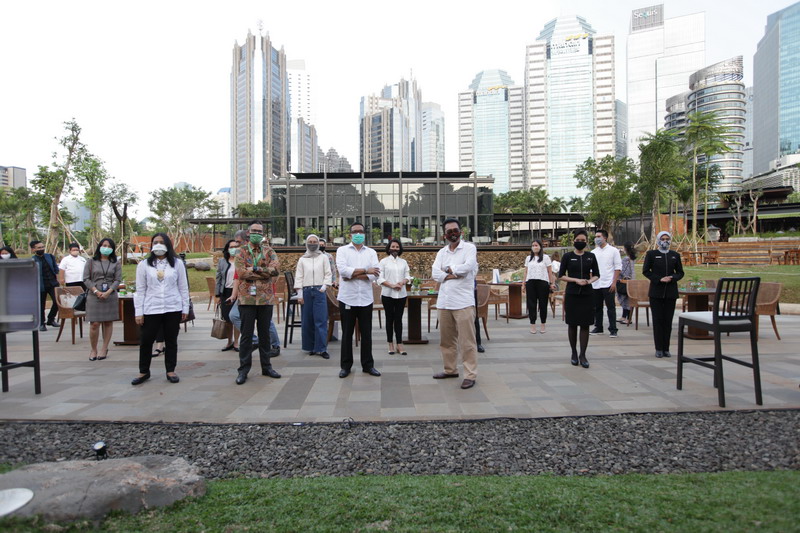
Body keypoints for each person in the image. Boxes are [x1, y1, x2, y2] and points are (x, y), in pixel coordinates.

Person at [131, 233, 190, 385]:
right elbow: (140, 290)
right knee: (146, 340)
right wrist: (139, 312)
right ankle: (144, 371)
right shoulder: (144, 265)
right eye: (155, 242)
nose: (158, 245)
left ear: (168, 244)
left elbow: (183, 287)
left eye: (161, 242)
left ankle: (170, 370)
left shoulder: (177, 263)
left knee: (171, 340)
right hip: (152, 307)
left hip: (172, 307)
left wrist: (185, 308)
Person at [431, 218, 479, 389]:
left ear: (461, 232)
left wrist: (449, 270)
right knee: (446, 341)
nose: (453, 233)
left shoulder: (469, 248)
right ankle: (450, 370)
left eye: (455, 230)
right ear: (444, 234)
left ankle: (470, 375)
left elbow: (468, 267)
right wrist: (452, 274)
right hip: (444, 302)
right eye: (449, 231)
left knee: (467, 342)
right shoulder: (442, 252)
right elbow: (435, 273)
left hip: (463, 302)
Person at [233, 221, 282, 385]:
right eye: (254, 231)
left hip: (265, 299)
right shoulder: (240, 251)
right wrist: (264, 273)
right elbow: (241, 273)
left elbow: (275, 270)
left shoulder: (269, 251)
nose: (257, 234)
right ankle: (243, 370)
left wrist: (254, 269)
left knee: (265, 334)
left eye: (259, 231)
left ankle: (266, 367)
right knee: (246, 336)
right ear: (248, 233)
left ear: (263, 234)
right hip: (246, 299)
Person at [336, 222, 381, 378]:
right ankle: (345, 366)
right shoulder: (342, 250)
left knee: (367, 334)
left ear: (364, 233)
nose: (358, 234)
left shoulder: (371, 252)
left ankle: (368, 365)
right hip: (347, 298)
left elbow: (375, 274)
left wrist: (353, 275)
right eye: (355, 231)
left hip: (365, 299)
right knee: (347, 334)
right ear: (350, 235)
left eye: (360, 231)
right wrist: (365, 271)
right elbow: (343, 271)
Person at [558, 230, 600, 368]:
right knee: (572, 324)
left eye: (583, 240)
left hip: (587, 294)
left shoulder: (591, 256)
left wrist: (588, 281)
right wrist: (575, 280)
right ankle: (574, 353)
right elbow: (561, 275)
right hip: (572, 293)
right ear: (573, 241)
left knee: (585, 324)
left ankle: (583, 354)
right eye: (578, 240)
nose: (580, 242)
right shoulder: (567, 256)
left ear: (586, 241)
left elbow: (597, 274)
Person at [642, 231, 684, 358]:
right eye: (663, 239)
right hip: (656, 293)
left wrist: (672, 277)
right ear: (658, 240)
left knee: (668, 321)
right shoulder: (651, 254)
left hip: (670, 293)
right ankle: (659, 348)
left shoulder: (675, 255)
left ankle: (666, 348)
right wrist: (659, 279)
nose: (665, 241)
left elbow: (680, 272)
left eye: (667, 239)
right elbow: (646, 271)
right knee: (658, 321)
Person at [294, 234, 332, 358]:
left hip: (319, 291)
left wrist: (324, 286)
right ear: (306, 243)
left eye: (314, 241)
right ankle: (310, 347)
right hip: (306, 291)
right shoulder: (302, 259)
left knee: (321, 320)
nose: (312, 244)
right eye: (310, 242)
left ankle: (322, 348)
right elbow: (299, 276)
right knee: (308, 321)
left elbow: (328, 273)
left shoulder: (323, 258)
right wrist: (300, 294)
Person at [84, 238, 122, 361]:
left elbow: (117, 279)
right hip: (94, 295)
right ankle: (93, 349)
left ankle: (104, 348)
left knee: (108, 322)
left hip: (110, 295)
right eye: (104, 245)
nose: (106, 248)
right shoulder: (91, 261)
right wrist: (96, 291)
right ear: (100, 246)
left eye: (109, 246)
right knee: (94, 324)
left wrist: (109, 292)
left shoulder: (116, 263)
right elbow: (86, 279)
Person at [377, 238, 412, 355]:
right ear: (389, 248)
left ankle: (399, 343)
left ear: (400, 249)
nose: (395, 249)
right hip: (387, 294)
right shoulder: (383, 262)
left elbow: (408, 276)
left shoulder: (403, 262)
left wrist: (402, 282)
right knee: (389, 319)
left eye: (397, 247)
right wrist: (392, 285)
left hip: (401, 294)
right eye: (393, 247)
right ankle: (390, 343)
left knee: (398, 319)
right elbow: (380, 278)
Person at [590, 229, 622, 338]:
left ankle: (613, 329)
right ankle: (598, 327)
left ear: (605, 238)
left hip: (608, 283)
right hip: (596, 284)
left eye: (599, 236)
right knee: (597, 307)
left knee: (610, 307)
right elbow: (591, 270)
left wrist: (614, 282)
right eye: (596, 237)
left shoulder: (613, 251)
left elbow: (618, 267)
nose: (597, 239)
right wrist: (591, 282)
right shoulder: (593, 252)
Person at [524, 239, 557, 334]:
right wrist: (523, 284)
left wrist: (551, 283)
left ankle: (543, 324)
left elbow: (549, 271)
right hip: (530, 282)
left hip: (543, 282)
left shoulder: (546, 258)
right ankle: (532, 324)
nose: (535, 247)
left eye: (536, 245)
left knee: (543, 304)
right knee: (531, 304)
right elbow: (526, 272)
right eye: (533, 245)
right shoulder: (528, 258)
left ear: (540, 247)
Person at [30, 240, 60, 331]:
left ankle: (51, 319)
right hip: (41, 285)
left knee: (57, 301)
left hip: (52, 283)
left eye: (42, 247)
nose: (41, 249)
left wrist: (58, 280)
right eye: (39, 248)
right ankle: (42, 323)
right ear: (33, 249)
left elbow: (55, 269)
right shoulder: (32, 260)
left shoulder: (50, 256)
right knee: (41, 305)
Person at [216, 239, 239, 352]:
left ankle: (236, 342)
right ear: (227, 249)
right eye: (231, 247)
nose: (234, 249)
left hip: (238, 293)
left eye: (236, 247)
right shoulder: (222, 262)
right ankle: (229, 341)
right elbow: (218, 278)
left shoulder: (241, 261)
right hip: (225, 292)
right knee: (227, 319)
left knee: (236, 318)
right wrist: (217, 295)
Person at [617, 242, 637, 325]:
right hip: (631, 281)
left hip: (624, 281)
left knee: (625, 299)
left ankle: (628, 318)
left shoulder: (625, 259)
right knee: (627, 299)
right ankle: (624, 316)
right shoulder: (632, 258)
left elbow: (621, 270)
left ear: (625, 248)